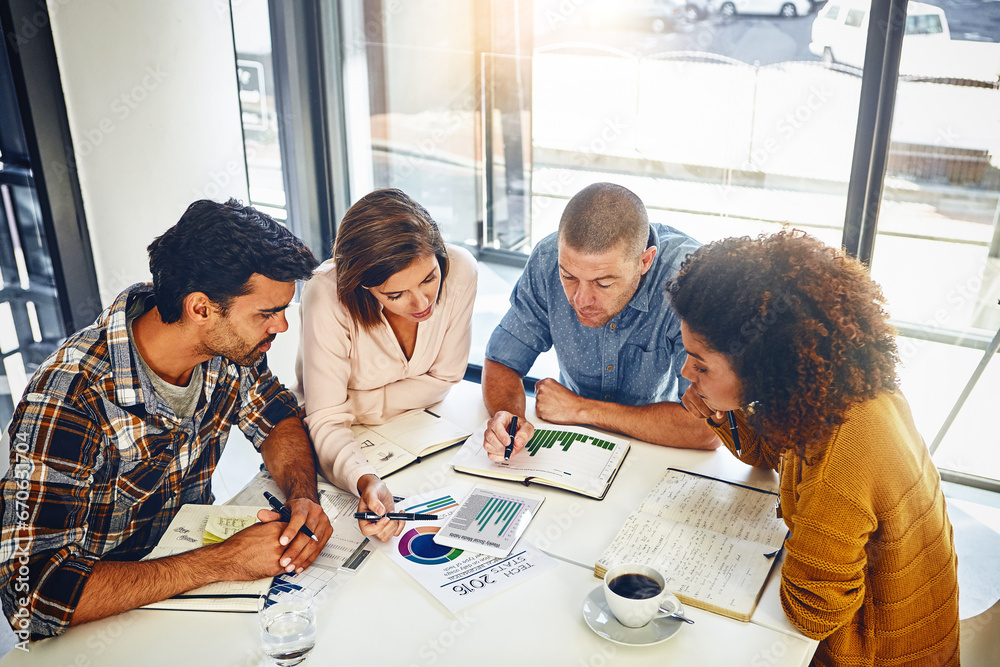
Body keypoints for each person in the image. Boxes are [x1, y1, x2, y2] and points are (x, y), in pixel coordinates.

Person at [0, 199, 333, 641]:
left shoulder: (231, 349)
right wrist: (224, 560)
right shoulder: (68, 397)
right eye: (267, 313)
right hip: (99, 623)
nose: (282, 327)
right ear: (201, 308)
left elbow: (275, 416)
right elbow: (31, 596)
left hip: (189, 585)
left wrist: (302, 495)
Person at [666, 230, 959, 666]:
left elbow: (811, 613)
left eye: (702, 364)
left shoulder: (843, 447)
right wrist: (723, 410)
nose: (686, 369)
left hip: (873, 653)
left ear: (763, 364)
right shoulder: (828, 393)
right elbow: (768, 454)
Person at [481, 182, 719, 461]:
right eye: (568, 277)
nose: (581, 300)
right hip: (572, 443)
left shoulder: (691, 282)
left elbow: (707, 430)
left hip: (656, 450)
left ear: (645, 261)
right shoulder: (547, 259)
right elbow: (502, 360)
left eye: (603, 283)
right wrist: (509, 419)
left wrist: (581, 409)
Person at [293, 189, 477, 541]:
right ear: (362, 287)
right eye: (395, 295)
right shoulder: (326, 296)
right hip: (341, 449)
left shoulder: (461, 269)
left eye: (429, 278)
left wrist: (352, 404)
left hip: (426, 437)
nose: (423, 302)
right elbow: (328, 423)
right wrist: (364, 478)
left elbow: (446, 377)